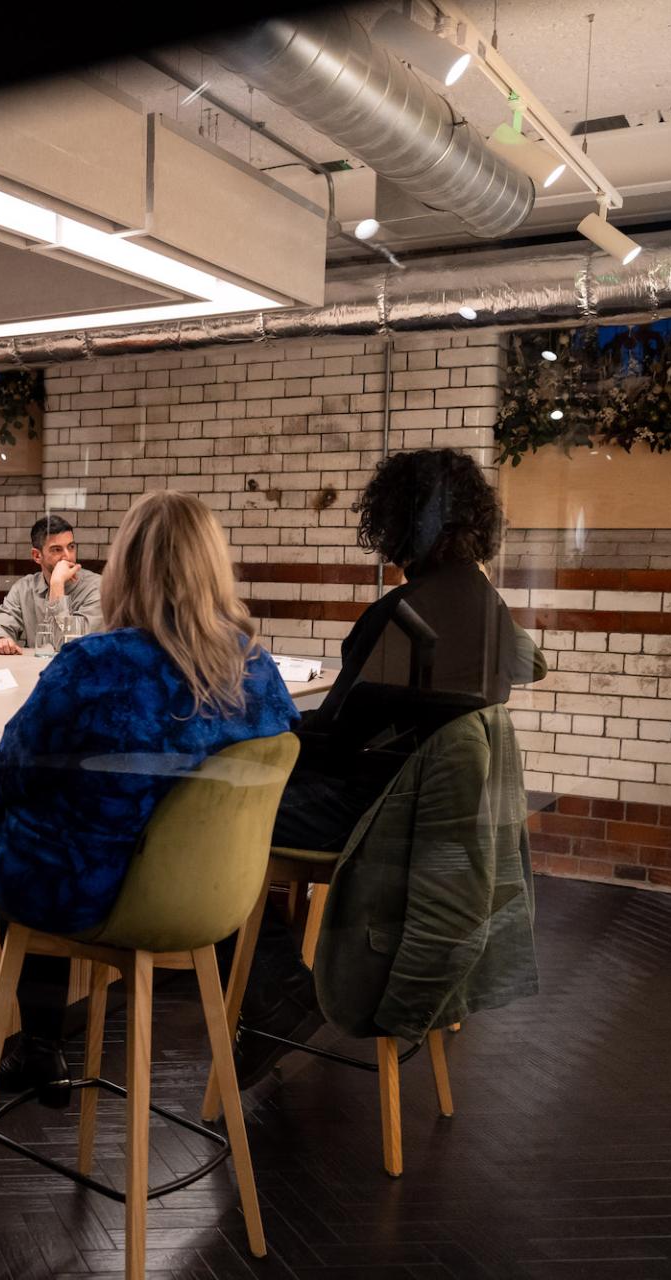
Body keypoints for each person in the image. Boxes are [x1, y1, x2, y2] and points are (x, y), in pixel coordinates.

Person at [0, 491, 300, 1099]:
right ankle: (269, 991)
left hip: (92, 892)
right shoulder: (253, 662)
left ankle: (40, 1042)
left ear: (125, 567)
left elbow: (15, 768)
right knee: (69, 813)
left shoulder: (95, 663)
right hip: (211, 892)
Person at [231, 447, 548, 1089]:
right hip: (417, 810)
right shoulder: (484, 605)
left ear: (395, 522)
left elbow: (335, 741)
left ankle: (277, 993)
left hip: (371, 815)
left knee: (214, 819)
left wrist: (261, 731)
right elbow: (525, 665)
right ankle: (277, 990)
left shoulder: (403, 614)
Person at [0, 514, 104, 654]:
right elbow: (1, 625)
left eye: (71, 547)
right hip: (35, 667)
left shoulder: (97, 588)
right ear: (37, 556)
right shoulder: (24, 588)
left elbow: (69, 648)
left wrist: (57, 584)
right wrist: (1, 639)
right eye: (57, 549)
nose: (68, 556)